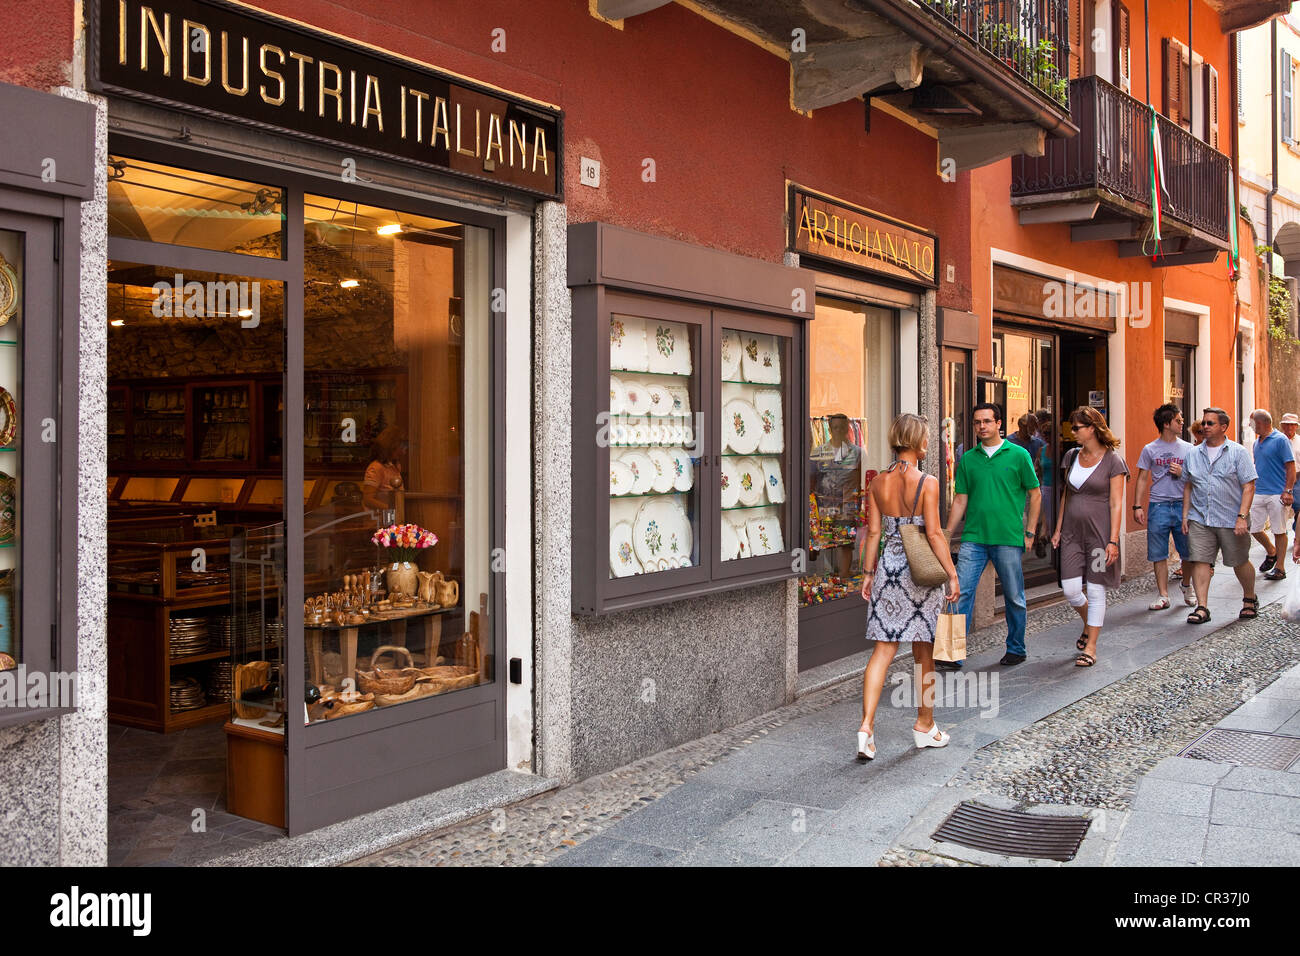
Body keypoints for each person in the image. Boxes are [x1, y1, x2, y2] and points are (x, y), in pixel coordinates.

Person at [858, 414, 960, 759]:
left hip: (888, 569)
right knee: (923, 650)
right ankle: (924, 725)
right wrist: (952, 573)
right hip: (919, 573)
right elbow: (933, 533)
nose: (929, 443)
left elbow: (873, 533)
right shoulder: (927, 482)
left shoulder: (877, 483)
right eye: (927, 438)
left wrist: (868, 573)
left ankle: (866, 729)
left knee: (883, 650)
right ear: (918, 442)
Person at [944, 402, 1042, 667]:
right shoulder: (968, 458)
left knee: (1013, 596)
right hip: (973, 538)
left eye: (987, 421)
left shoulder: (1018, 455)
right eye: (977, 422)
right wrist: (946, 535)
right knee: (958, 592)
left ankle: (1016, 648)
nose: (981, 427)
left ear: (999, 423)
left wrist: (1030, 531)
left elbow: (1035, 493)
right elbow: (961, 500)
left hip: (1008, 537)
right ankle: (950, 653)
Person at [1051, 408, 1128, 666]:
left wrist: (1113, 539)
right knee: (1071, 589)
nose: (1072, 432)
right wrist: (1059, 529)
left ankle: (1091, 647)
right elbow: (1067, 494)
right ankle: (1089, 623)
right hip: (1072, 534)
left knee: (1095, 588)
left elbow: (1117, 504)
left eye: (1076, 428)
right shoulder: (1072, 456)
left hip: (1098, 536)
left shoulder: (1113, 461)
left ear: (1092, 428)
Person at [1181, 408, 1258, 624]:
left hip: (1230, 518)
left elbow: (1249, 486)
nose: (1204, 426)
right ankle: (1202, 607)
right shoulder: (1193, 454)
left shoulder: (1238, 452)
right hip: (1200, 518)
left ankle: (1249, 598)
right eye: (1204, 423)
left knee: (1239, 561)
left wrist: (1242, 516)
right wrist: (1185, 515)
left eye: (1210, 423)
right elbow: (1188, 485)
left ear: (1223, 427)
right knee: (1200, 560)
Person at [1133, 403, 1196, 609]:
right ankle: (1163, 595)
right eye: (1178, 420)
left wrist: (1182, 473)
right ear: (1167, 424)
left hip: (1182, 506)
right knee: (1158, 553)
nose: (1182, 423)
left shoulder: (1189, 449)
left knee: (1187, 552)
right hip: (1158, 505)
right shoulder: (1150, 449)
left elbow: (1197, 478)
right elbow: (1142, 478)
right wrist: (1137, 506)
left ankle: (1187, 585)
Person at [810, 413, 862, 577]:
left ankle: (844, 575)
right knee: (824, 542)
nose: (839, 431)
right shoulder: (819, 452)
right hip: (824, 505)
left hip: (847, 506)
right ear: (830, 430)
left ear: (848, 429)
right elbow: (812, 479)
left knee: (845, 543)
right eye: (835, 427)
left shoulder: (857, 453)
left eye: (842, 427)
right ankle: (827, 577)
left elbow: (860, 478)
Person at [1248, 409, 1296, 581]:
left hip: (1277, 493)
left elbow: (1291, 467)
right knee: (1253, 528)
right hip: (1259, 491)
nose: (1250, 426)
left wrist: (1288, 490)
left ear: (1261, 423)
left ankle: (1280, 568)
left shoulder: (1281, 440)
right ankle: (1271, 551)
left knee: (1279, 530)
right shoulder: (1256, 442)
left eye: (1252, 423)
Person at [362, 425, 407, 513]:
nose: (403, 452)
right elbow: (368, 500)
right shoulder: (376, 467)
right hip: (379, 520)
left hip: (392, 518)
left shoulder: (396, 466)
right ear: (391, 446)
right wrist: (392, 509)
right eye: (401, 447)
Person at [1282, 412, 1300, 560]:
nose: (1289, 427)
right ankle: (1281, 538)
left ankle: (1297, 535)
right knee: (1280, 511)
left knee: (1298, 508)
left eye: (1292, 424)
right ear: (1282, 425)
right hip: (1280, 479)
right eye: (1286, 424)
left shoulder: (1299, 441)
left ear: (1296, 426)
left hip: (1298, 479)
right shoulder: (1278, 441)